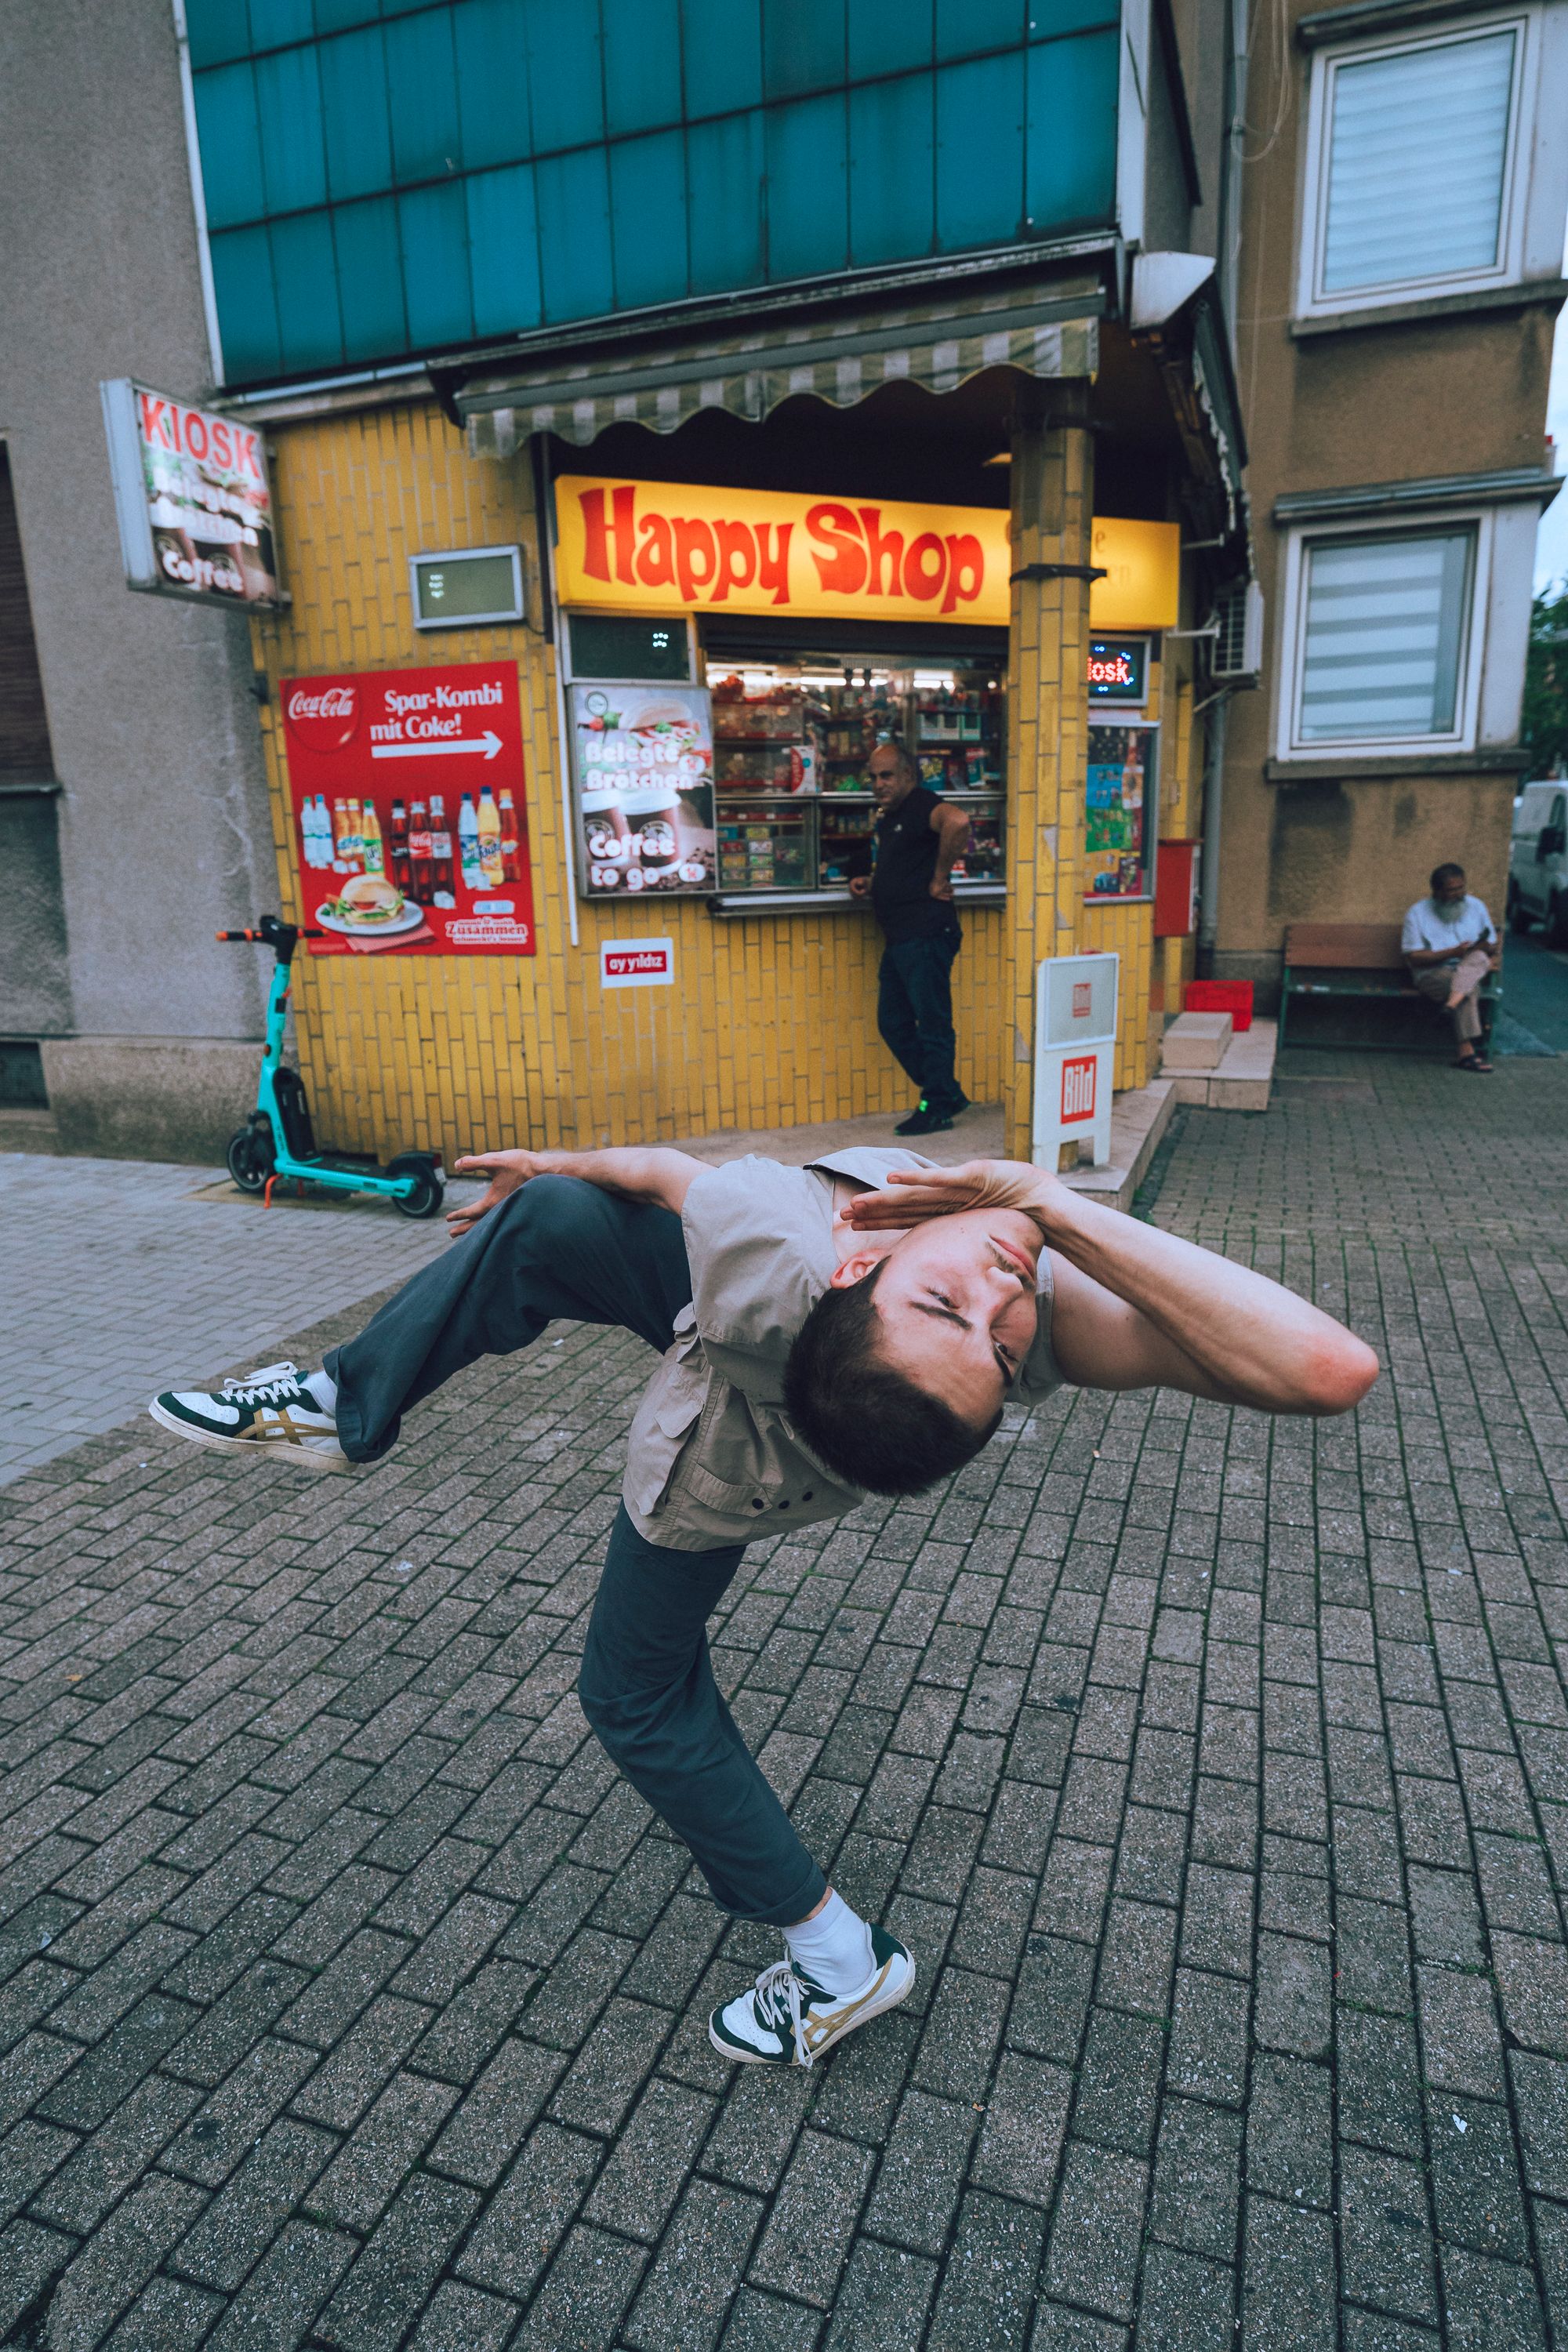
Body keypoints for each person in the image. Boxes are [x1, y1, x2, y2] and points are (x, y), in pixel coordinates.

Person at [149, 1143, 1378, 2071]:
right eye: (962, 1313)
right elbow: (644, 1185)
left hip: (736, 1449)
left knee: (631, 1694)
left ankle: (838, 1962)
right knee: (554, 1214)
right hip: (780, 1350)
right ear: (865, 1263)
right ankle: (338, 1403)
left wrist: (1056, 1209)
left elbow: (1330, 1370)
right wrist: (548, 1178)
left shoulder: (805, 1248)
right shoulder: (861, 1268)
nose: (1005, 1299)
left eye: (1001, 1349)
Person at [848, 734, 974, 1135]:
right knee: (892, 1022)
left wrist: (940, 878)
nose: (879, 784)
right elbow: (903, 866)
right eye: (874, 777)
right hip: (903, 937)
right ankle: (945, 1091)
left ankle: (936, 1106)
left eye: (887, 776)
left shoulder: (921, 804)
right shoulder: (892, 816)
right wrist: (873, 883)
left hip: (926, 934)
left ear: (907, 775)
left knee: (933, 1024)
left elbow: (958, 821)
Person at [1401, 862, 1500, 1072]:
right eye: (1452, 890)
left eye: (1461, 887)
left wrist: (1484, 946)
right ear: (1437, 891)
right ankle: (1467, 1052)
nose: (1459, 894)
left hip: (1469, 966)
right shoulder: (1417, 913)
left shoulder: (1476, 906)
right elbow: (1414, 957)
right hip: (1433, 973)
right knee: (1468, 988)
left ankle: (1451, 1008)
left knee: (1479, 959)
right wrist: (1451, 953)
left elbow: (1492, 944)